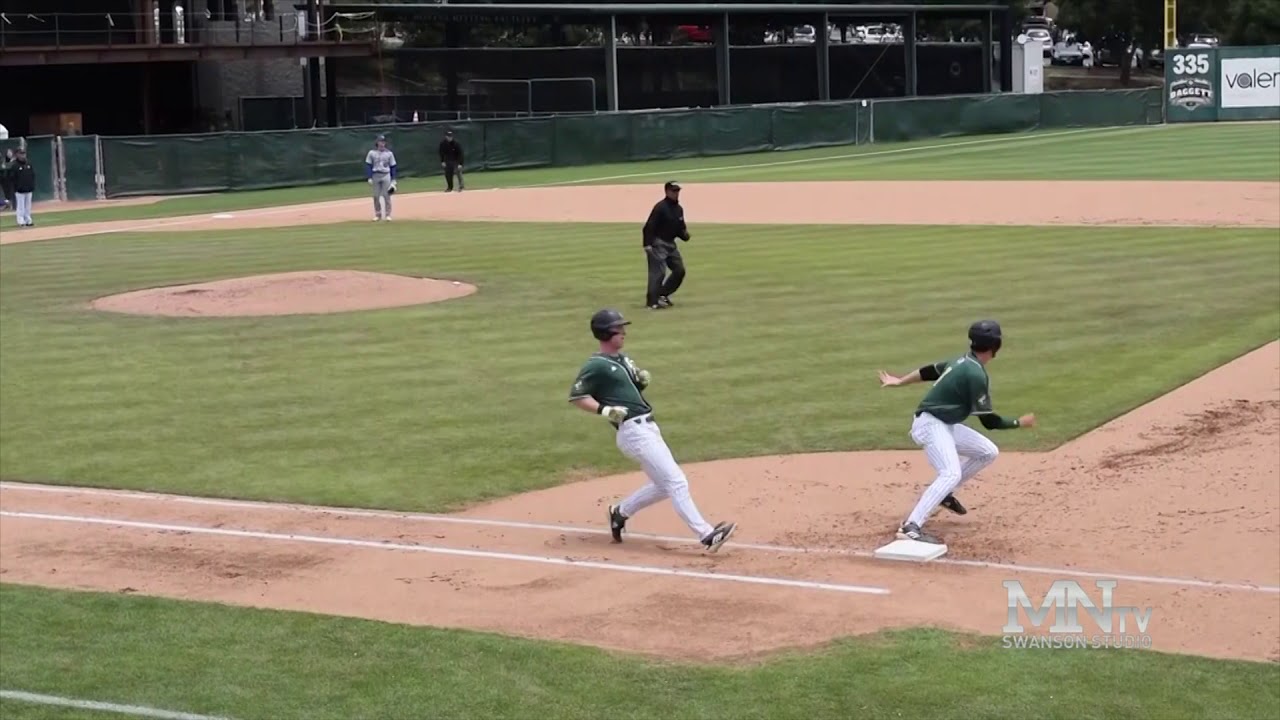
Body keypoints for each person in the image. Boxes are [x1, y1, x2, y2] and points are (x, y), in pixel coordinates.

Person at [568, 308, 737, 553]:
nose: (624, 332)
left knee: (663, 484)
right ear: (607, 333)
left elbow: (632, 385)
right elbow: (577, 396)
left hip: (648, 427)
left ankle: (619, 513)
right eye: (619, 328)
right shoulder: (597, 365)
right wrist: (604, 410)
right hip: (633, 432)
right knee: (676, 481)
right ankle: (707, 535)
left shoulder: (623, 359)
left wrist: (640, 381)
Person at [876, 320, 1036, 544]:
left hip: (943, 424)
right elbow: (990, 422)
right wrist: (1019, 422)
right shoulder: (975, 375)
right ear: (995, 346)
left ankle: (945, 494)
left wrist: (900, 381)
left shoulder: (962, 361)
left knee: (987, 451)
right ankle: (911, 526)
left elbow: (928, 371)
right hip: (931, 425)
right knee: (950, 473)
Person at [641, 181, 690, 310]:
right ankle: (652, 302)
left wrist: (684, 235)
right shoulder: (660, 207)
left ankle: (662, 294)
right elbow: (649, 227)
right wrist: (647, 244)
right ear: (667, 191)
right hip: (658, 242)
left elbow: (680, 226)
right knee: (658, 273)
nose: (676, 193)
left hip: (670, 244)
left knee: (679, 270)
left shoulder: (678, 209)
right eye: (674, 191)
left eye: (678, 191)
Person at [364, 134, 397, 222]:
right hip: (376, 175)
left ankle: (388, 215)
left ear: (385, 143)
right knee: (376, 196)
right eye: (380, 142)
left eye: (383, 142)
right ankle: (378, 214)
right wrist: (369, 177)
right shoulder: (372, 153)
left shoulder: (389, 153)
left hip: (386, 174)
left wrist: (393, 179)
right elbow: (368, 165)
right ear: (377, 143)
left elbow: (393, 166)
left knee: (387, 195)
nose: (382, 144)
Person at [11, 148, 35, 227]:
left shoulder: (29, 163)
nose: (23, 155)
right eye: (21, 153)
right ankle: (20, 221)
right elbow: (12, 178)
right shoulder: (15, 165)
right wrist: (16, 187)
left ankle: (28, 220)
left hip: (28, 188)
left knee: (28, 206)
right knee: (20, 206)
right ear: (17, 154)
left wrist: (32, 185)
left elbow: (32, 175)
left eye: (23, 153)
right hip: (19, 190)